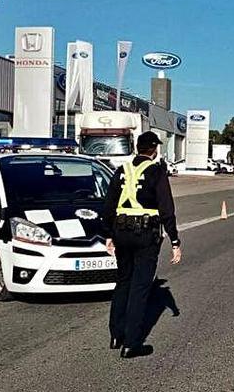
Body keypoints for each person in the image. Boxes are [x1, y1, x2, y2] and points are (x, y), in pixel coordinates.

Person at [101, 131, 182, 359]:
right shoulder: (157, 172)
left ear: (137, 147)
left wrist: (108, 234)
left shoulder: (122, 170)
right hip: (145, 235)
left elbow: (109, 204)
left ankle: (116, 335)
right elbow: (167, 209)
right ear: (154, 150)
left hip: (121, 232)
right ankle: (132, 342)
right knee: (140, 286)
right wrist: (175, 240)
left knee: (123, 281)